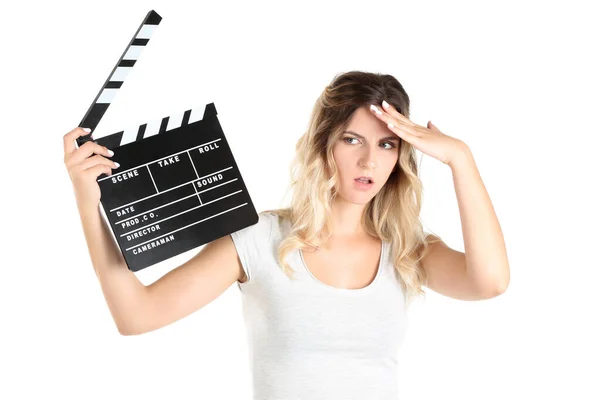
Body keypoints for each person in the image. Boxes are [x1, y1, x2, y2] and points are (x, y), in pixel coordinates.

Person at [63, 70, 510, 399]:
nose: (370, 161)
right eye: (352, 140)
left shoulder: (408, 250)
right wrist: (88, 203)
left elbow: (489, 282)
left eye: (387, 143)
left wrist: (461, 159)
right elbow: (136, 316)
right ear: (324, 144)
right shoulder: (259, 238)